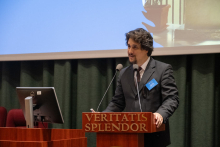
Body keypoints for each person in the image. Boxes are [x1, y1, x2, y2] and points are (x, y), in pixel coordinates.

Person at [103, 28, 179, 147]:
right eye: (128, 46)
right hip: (129, 137)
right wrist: (102, 116)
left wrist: (160, 114)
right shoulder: (124, 73)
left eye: (134, 47)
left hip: (154, 137)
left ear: (146, 49)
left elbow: (172, 98)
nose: (130, 51)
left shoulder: (162, 70)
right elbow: (117, 103)